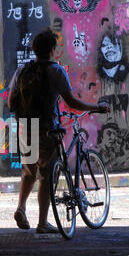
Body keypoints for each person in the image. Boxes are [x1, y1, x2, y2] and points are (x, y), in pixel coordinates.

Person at [8, 28, 110, 234]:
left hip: (25, 127)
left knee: (29, 171)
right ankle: (43, 222)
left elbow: (11, 102)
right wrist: (97, 107)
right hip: (47, 129)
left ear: (34, 49)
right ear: (53, 50)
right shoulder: (56, 70)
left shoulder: (22, 70)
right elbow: (72, 102)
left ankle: (21, 208)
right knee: (46, 175)